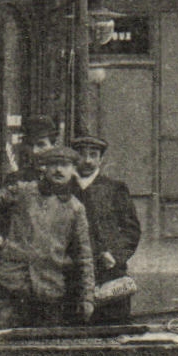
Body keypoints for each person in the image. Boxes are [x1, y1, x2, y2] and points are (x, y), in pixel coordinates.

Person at [0, 145, 95, 328]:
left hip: (49, 289)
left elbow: (85, 256)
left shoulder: (76, 208)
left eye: (65, 165)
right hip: (10, 283)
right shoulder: (23, 191)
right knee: (2, 341)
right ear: (44, 168)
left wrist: (88, 298)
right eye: (53, 164)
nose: (59, 170)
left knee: (43, 346)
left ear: (73, 170)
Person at [69, 135, 143, 322]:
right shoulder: (64, 189)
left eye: (93, 155)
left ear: (101, 160)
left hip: (109, 271)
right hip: (73, 270)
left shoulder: (114, 188)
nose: (87, 160)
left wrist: (116, 256)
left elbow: (131, 230)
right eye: (81, 154)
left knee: (114, 323)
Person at [0, 114, 58, 188]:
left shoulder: (65, 180)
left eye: (41, 145)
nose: (34, 151)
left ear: (54, 146)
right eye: (30, 145)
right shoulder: (15, 180)